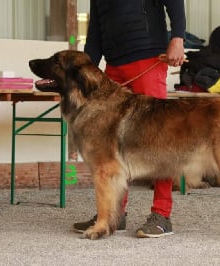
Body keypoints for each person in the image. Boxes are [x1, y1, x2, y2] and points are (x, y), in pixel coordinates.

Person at [71, 0, 186, 238]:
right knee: (113, 146)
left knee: (158, 139)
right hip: (113, 66)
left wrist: (178, 37)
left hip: (148, 58)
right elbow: (95, 33)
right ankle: (113, 214)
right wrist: (79, 73)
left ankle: (162, 214)